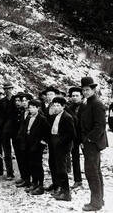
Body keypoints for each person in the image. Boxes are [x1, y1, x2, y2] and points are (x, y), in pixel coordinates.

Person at [79, 77, 108, 211]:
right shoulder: (87, 103)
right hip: (89, 143)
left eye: (87, 90)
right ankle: (99, 200)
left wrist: (88, 139)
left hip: (93, 143)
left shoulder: (96, 104)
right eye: (83, 90)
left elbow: (100, 126)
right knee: (95, 171)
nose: (85, 92)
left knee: (92, 172)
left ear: (93, 89)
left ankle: (95, 203)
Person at [49, 96, 75, 201]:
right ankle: (61, 190)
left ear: (63, 106)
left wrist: (60, 143)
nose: (55, 107)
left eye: (58, 105)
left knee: (62, 169)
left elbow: (71, 134)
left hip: (63, 146)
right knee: (57, 168)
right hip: (55, 144)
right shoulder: (56, 116)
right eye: (54, 105)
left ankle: (67, 193)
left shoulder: (67, 117)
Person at [24, 99, 49, 195]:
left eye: (33, 107)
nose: (31, 109)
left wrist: (43, 142)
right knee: (31, 164)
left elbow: (47, 132)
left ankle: (41, 185)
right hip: (29, 144)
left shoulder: (42, 119)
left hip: (37, 145)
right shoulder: (29, 118)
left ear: (38, 108)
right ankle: (34, 183)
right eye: (30, 107)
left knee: (38, 165)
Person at [0, 82, 16, 179]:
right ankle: (9, 173)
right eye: (5, 89)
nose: (7, 90)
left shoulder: (16, 100)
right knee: (6, 152)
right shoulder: (1, 102)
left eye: (9, 88)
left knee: (19, 152)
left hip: (15, 130)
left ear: (12, 89)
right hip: (4, 130)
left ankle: (25, 175)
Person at [66, 87, 83, 188]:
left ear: (81, 96)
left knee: (90, 160)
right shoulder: (70, 107)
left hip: (85, 136)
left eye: (77, 96)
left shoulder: (86, 106)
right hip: (75, 136)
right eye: (73, 96)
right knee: (75, 158)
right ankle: (78, 180)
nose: (75, 98)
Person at [14, 92, 32, 187]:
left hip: (29, 140)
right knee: (22, 159)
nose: (24, 102)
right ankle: (25, 178)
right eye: (23, 101)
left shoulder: (32, 112)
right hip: (21, 140)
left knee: (29, 160)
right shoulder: (22, 111)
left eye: (26, 101)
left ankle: (29, 180)